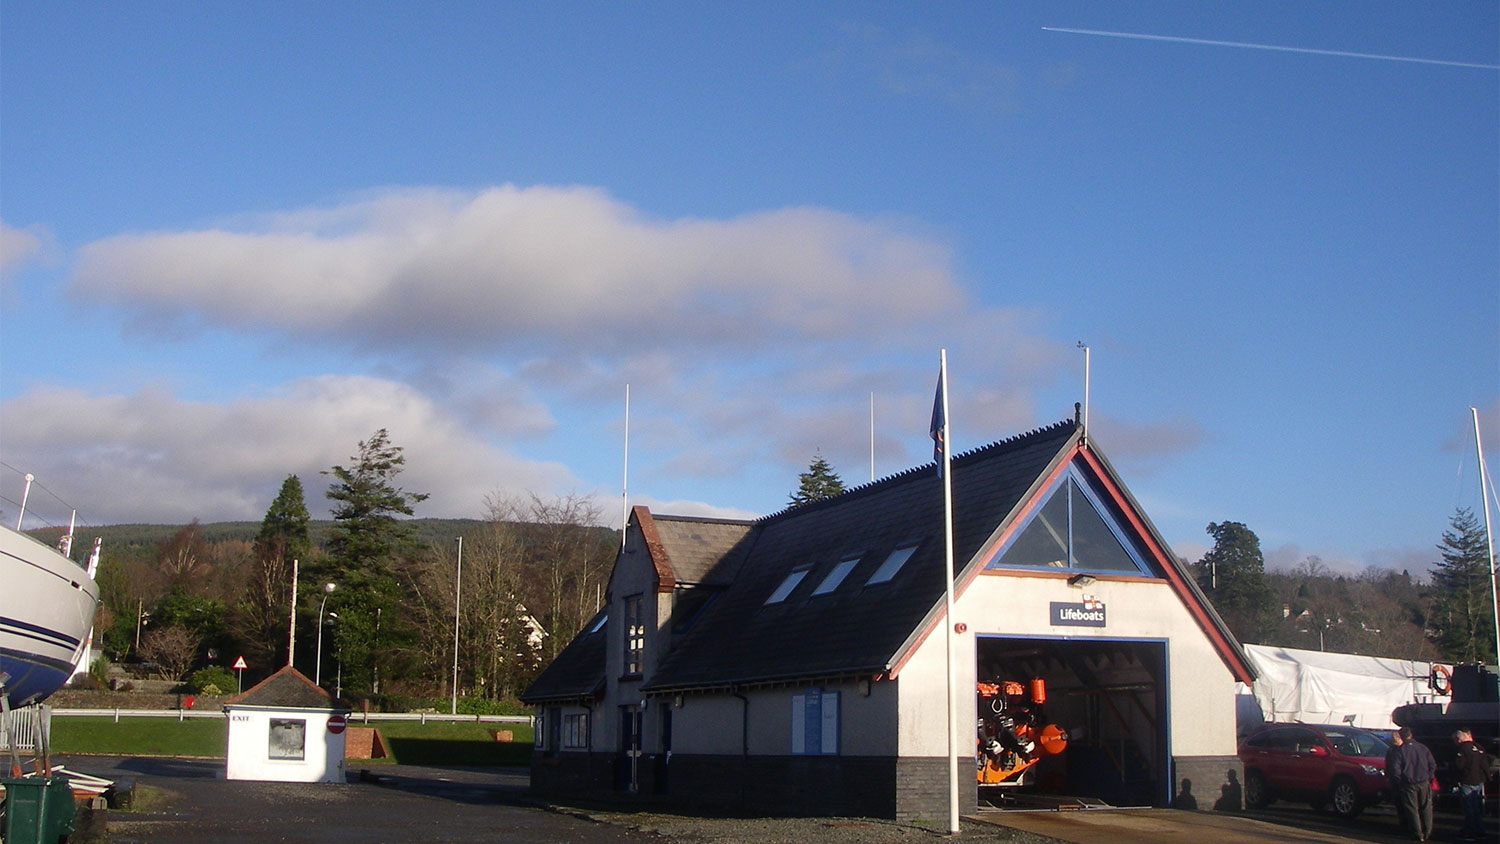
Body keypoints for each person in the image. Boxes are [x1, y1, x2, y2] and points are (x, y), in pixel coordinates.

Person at [1392, 726, 1437, 842]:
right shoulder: (1423, 748)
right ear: (1411, 735)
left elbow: (1396, 769)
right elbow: (1432, 764)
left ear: (1401, 737)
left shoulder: (1401, 750)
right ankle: (1427, 831)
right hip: (1423, 782)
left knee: (1412, 809)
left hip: (1408, 784)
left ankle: (1417, 833)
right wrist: (1429, 777)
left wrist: (1400, 781)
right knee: (1426, 807)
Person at [1452, 728, 1494, 841]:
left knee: (1469, 809)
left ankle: (1470, 831)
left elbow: (1459, 766)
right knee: (1478, 808)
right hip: (1479, 781)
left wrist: (1454, 779)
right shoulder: (1479, 748)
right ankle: (1480, 830)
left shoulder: (1463, 749)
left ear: (1459, 738)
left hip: (1467, 781)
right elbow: (1485, 764)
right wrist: (1488, 778)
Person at [1385, 730, 1408, 832]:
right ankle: (1403, 823)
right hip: (1396, 779)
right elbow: (1389, 765)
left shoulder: (1401, 750)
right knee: (1399, 802)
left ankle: (1406, 823)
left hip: (1402, 779)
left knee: (1405, 803)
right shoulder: (1393, 750)